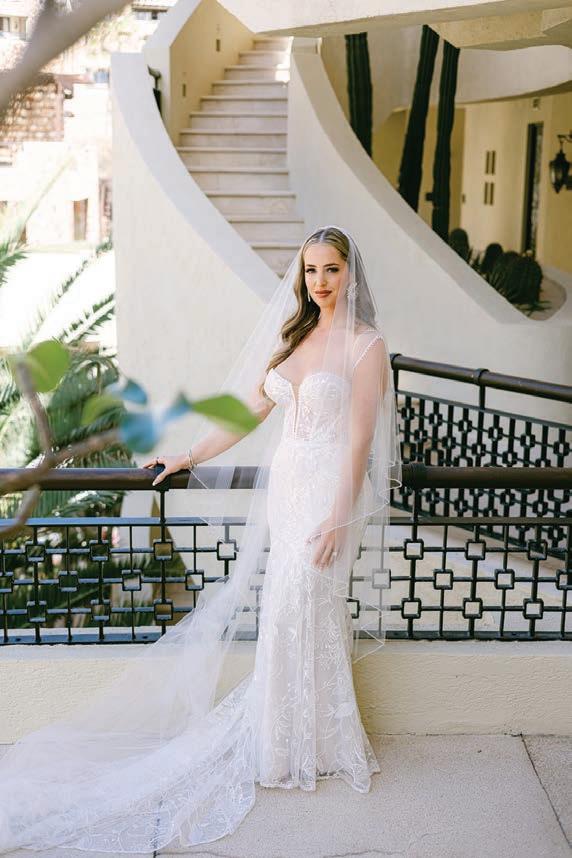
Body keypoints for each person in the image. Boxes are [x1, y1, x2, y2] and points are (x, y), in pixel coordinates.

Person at [0, 226, 401, 854]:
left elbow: (359, 443)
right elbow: (249, 411)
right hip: (289, 492)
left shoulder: (366, 346)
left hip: (329, 495)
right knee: (283, 612)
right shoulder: (296, 337)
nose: (320, 282)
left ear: (350, 273)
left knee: (307, 607)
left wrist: (336, 517)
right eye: (311, 270)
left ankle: (319, 742)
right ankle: (286, 741)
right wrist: (188, 454)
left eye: (331, 269)